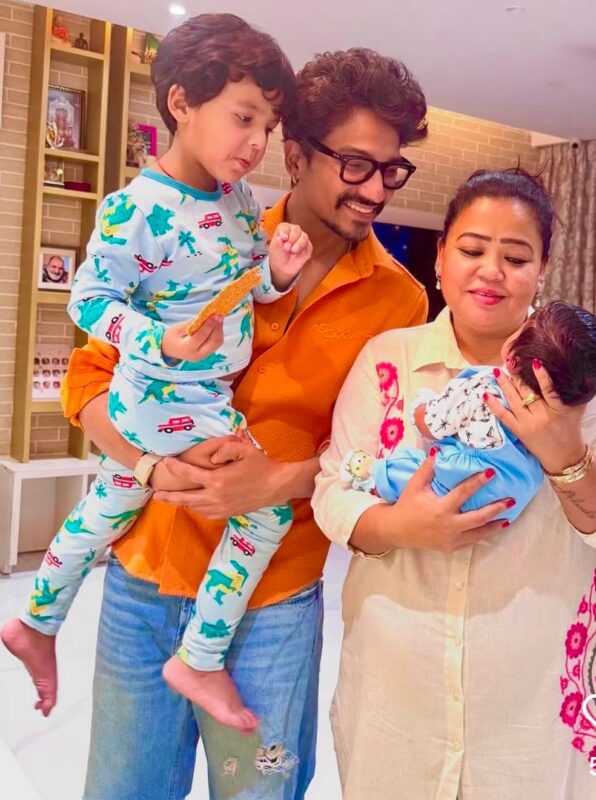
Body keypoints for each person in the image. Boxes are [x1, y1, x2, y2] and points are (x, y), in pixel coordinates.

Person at [40, 46, 428, 800]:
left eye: (392, 170)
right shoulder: (204, 226)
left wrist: (276, 482)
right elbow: (88, 381)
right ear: (295, 153)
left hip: (273, 599)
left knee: (260, 791)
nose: (375, 189)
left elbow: (378, 457)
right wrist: (148, 466)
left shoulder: (399, 301)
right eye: (355, 164)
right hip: (146, 572)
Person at [2, 14, 311, 733]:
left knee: (112, 500)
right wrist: (159, 341)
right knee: (265, 511)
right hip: (168, 395)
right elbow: (87, 299)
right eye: (243, 118)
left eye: (268, 127)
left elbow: (246, 290)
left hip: (197, 392)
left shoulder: (240, 202)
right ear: (181, 103)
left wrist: (277, 272)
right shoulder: (134, 208)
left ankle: (36, 619)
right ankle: (200, 656)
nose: (257, 143)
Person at [312, 167, 596, 800]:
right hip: (397, 693)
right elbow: (333, 488)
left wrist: (563, 452)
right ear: (440, 257)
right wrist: (401, 526)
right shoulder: (388, 359)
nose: (491, 271)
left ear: (542, 271)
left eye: (515, 257)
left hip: (528, 702)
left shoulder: (579, 382)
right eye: (472, 249)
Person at [339, 299, 596, 524]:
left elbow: (434, 425)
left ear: (511, 358)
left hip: (455, 484)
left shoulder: (485, 386)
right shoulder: (560, 412)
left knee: (411, 465)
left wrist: (421, 408)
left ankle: (372, 476)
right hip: (511, 499)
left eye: (516, 262)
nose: (491, 271)